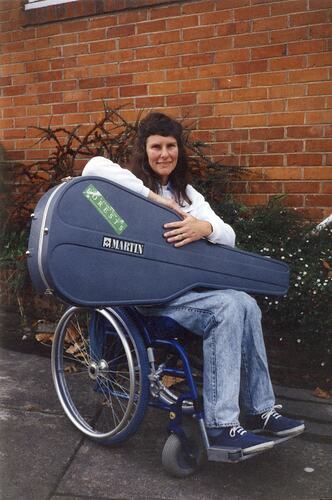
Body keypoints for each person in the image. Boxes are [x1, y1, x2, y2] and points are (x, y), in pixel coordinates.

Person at [82, 112, 304, 454]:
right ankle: (221, 426)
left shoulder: (189, 196)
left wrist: (206, 228)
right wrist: (158, 201)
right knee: (227, 307)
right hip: (146, 300)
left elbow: (228, 235)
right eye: (156, 146)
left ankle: (261, 411)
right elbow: (92, 167)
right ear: (144, 150)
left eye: (171, 146)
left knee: (245, 302)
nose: (164, 154)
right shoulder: (126, 186)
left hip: (184, 294)